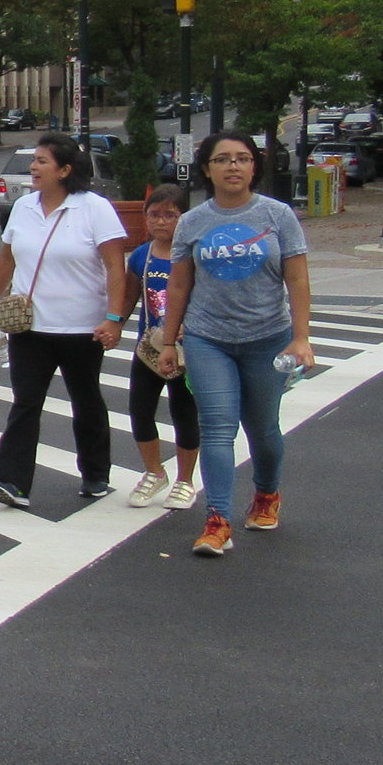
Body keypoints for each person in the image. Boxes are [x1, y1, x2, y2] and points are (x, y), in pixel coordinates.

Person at [155, 131, 316, 557]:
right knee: (217, 427)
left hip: (268, 338)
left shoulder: (277, 215)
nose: (233, 167)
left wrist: (301, 338)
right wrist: (169, 342)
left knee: (262, 429)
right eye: (223, 159)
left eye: (242, 159)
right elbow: (179, 283)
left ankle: (266, 494)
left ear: (254, 167)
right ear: (206, 168)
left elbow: (297, 279)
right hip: (210, 338)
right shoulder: (193, 221)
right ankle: (218, 521)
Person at [0, 133, 131, 510]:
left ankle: (95, 474)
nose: (33, 167)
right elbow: (7, 260)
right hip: (31, 328)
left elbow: (115, 266)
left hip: (83, 327)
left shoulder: (94, 208)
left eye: (42, 161)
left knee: (86, 400)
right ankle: (11, 481)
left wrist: (114, 318)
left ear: (64, 170)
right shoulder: (24, 207)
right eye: (34, 160)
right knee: (26, 402)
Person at [124, 185, 201, 510]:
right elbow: (128, 297)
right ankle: (154, 472)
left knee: (184, 414)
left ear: (185, 218)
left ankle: (185, 480)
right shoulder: (142, 255)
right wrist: (112, 323)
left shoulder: (194, 255)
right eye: (154, 214)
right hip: (149, 349)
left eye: (171, 215)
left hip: (188, 351)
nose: (161, 221)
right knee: (140, 411)